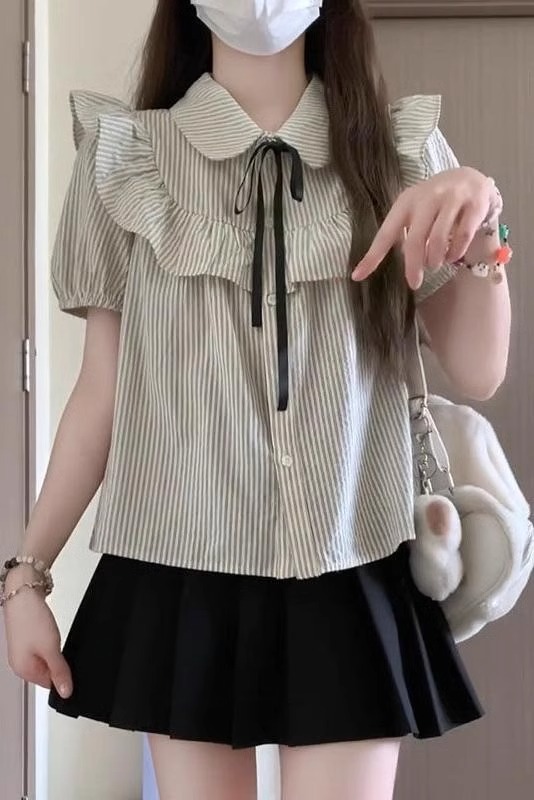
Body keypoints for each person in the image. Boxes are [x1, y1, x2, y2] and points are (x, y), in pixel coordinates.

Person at [2, 1, 512, 798]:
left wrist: (482, 222)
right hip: (183, 558)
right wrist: (26, 577)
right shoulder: (127, 159)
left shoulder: (398, 154)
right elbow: (101, 394)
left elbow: (479, 370)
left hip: (350, 548)